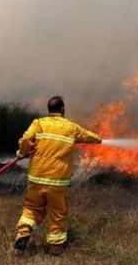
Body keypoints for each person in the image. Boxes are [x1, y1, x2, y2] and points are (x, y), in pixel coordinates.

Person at [14, 95, 102, 255]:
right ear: (62, 109)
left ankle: (24, 231)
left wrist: (22, 153)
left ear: (49, 110)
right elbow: (89, 136)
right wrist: (99, 139)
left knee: (32, 208)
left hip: (36, 178)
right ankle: (55, 247)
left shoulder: (39, 123)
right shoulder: (71, 128)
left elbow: (26, 138)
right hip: (57, 182)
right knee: (57, 212)